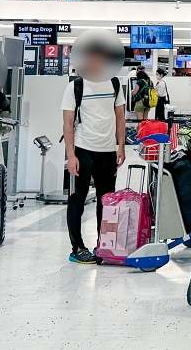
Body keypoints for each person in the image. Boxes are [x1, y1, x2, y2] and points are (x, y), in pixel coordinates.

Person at [61, 50, 126, 265]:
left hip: (108, 151)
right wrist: (71, 155)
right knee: (77, 200)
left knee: (106, 202)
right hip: (83, 150)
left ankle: (103, 245)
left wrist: (121, 146)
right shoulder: (75, 87)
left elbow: (120, 118)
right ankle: (77, 247)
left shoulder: (115, 85)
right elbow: (68, 124)